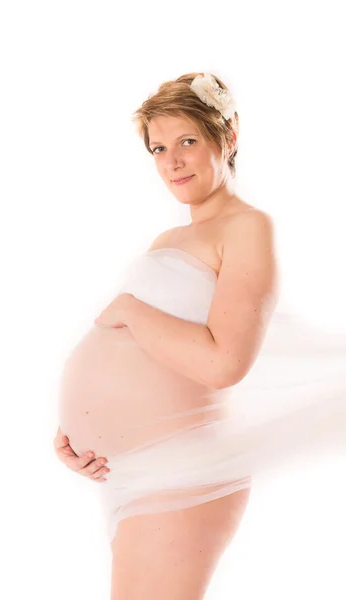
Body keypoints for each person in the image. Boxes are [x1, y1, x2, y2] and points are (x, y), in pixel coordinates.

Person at [54, 72, 346, 599]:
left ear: (227, 138)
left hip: (183, 472)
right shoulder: (169, 237)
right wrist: (76, 434)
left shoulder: (248, 227)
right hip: (130, 471)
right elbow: (147, 353)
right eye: (159, 148)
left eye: (187, 141)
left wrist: (131, 311)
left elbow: (223, 364)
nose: (172, 161)